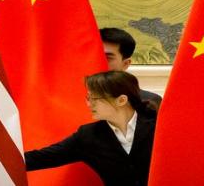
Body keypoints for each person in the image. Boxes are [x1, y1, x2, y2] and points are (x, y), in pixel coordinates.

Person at [25, 71, 157, 186]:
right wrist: (5, 160)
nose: (89, 104)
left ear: (121, 100)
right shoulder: (88, 135)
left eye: (94, 98)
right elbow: (42, 157)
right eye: (88, 98)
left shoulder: (158, 127)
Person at [100, 27, 162, 108]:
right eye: (94, 56)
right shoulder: (79, 100)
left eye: (106, 58)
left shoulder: (148, 102)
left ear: (125, 64)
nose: (98, 62)